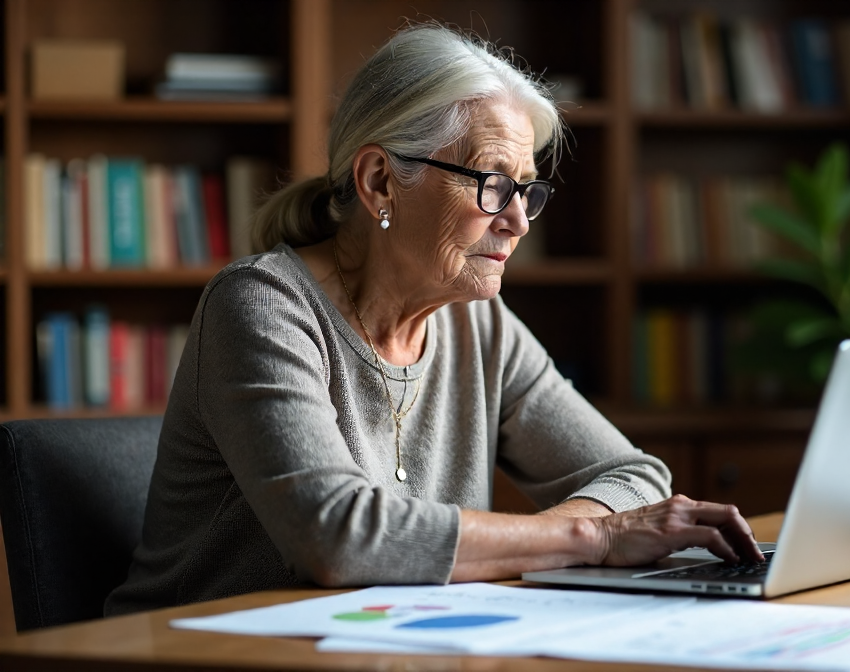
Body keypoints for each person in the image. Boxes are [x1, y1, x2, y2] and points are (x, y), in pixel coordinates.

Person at [106, 24, 761, 616]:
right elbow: (337, 537)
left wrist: (596, 527)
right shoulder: (259, 306)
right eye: (492, 183)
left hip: (390, 647)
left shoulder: (481, 326)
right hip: (203, 651)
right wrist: (593, 535)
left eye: (527, 188)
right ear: (381, 182)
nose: (518, 220)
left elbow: (635, 476)